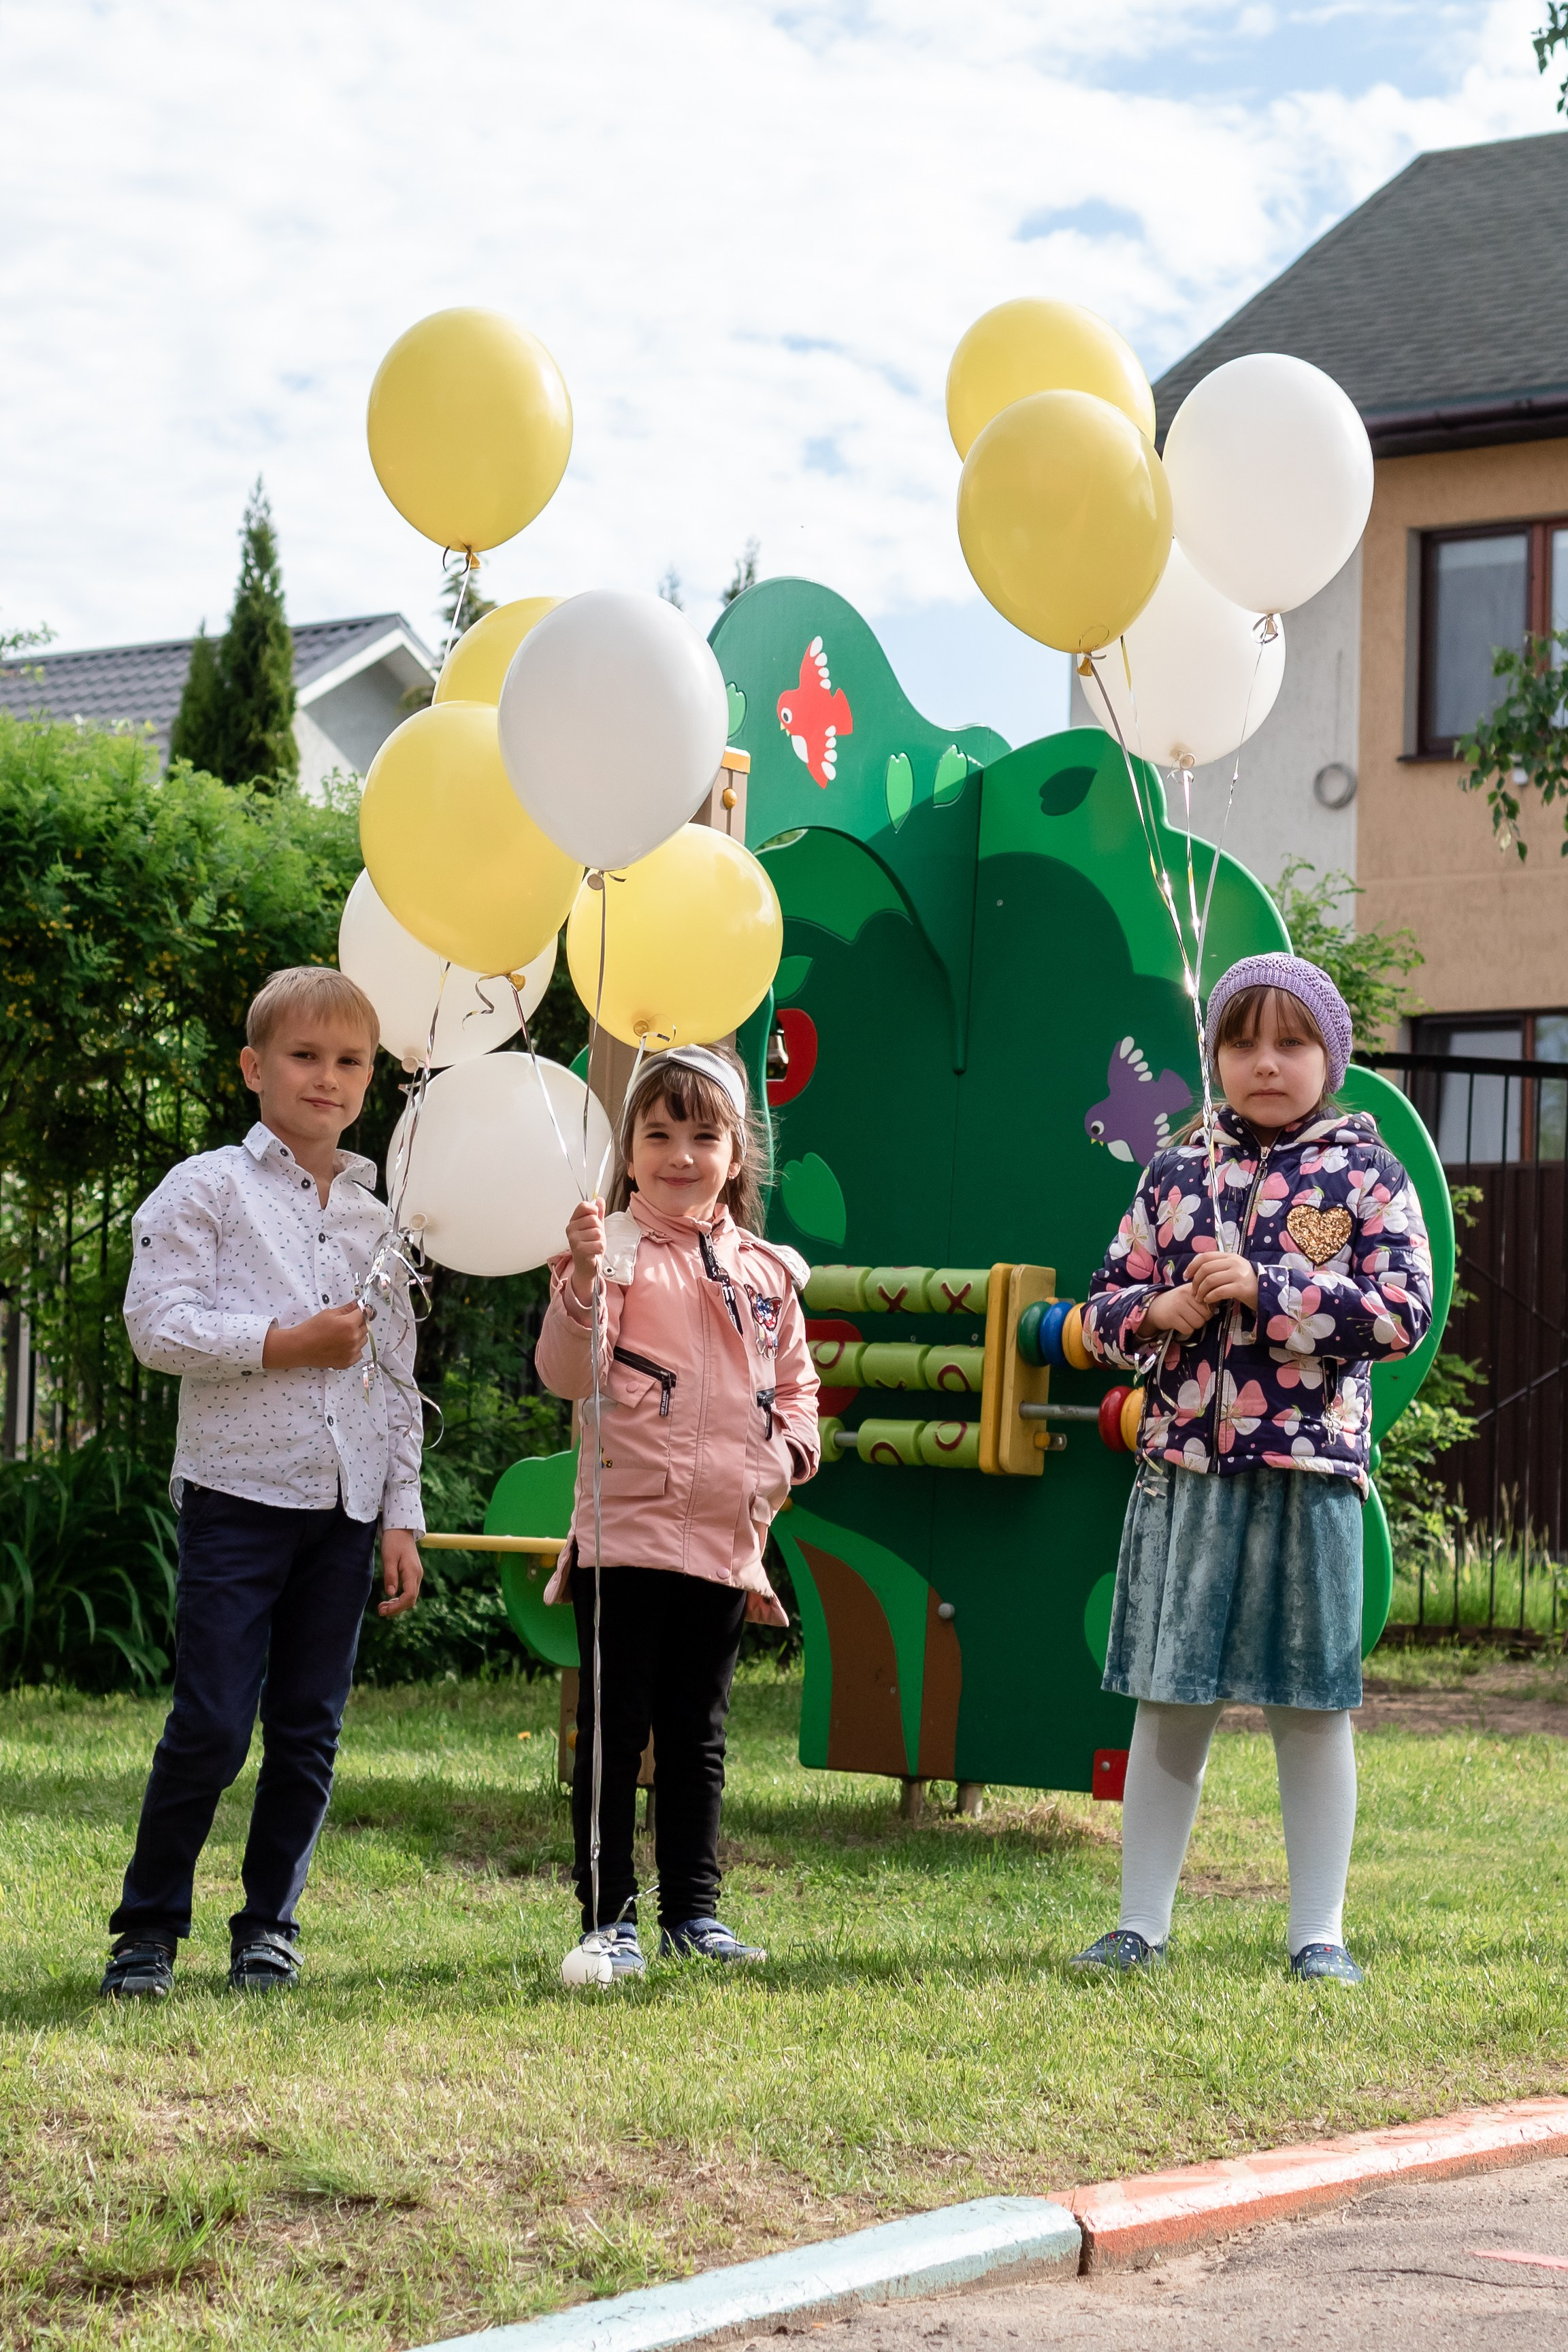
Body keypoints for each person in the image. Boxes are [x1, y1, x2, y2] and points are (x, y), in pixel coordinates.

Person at [1073, 953, 1433, 1984]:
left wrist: (1270, 1289)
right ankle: (1140, 1924)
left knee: (1311, 1706)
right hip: (1185, 1471)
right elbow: (1099, 1310)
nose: (1264, 1063)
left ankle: (1317, 1932)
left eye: (1291, 1042)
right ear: (1215, 1058)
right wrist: (1155, 1312)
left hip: (1308, 1476)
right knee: (1170, 1699)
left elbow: (1398, 1312)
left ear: (1333, 1058)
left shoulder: (1367, 1177)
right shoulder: (1177, 1175)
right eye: (1241, 1043)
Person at [100, 967, 425, 2001]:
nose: (326, 1078)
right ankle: (147, 1931)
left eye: (349, 1062)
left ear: (370, 1080)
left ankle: (268, 1929)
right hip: (238, 1496)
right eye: (304, 1056)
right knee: (209, 1722)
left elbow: (397, 1376)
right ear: (254, 1068)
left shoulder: (383, 1219)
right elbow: (156, 1326)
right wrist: (284, 1343)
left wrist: (401, 1517)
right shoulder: (207, 1188)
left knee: (309, 1729)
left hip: (346, 1506)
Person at [535, 1043, 819, 1979]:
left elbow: (798, 1386)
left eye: (704, 1136)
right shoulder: (605, 1254)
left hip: (727, 1541)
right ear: (629, 1152)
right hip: (627, 1535)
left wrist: (782, 1462)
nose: (681, 1154)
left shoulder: (771, 1274)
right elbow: (566, 1376)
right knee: (617, 1735)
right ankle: (607, 1916)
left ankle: (692, 1915)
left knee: (698, 1736)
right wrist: (580, 1285)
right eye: (658, 1134)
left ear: (737, 1155)